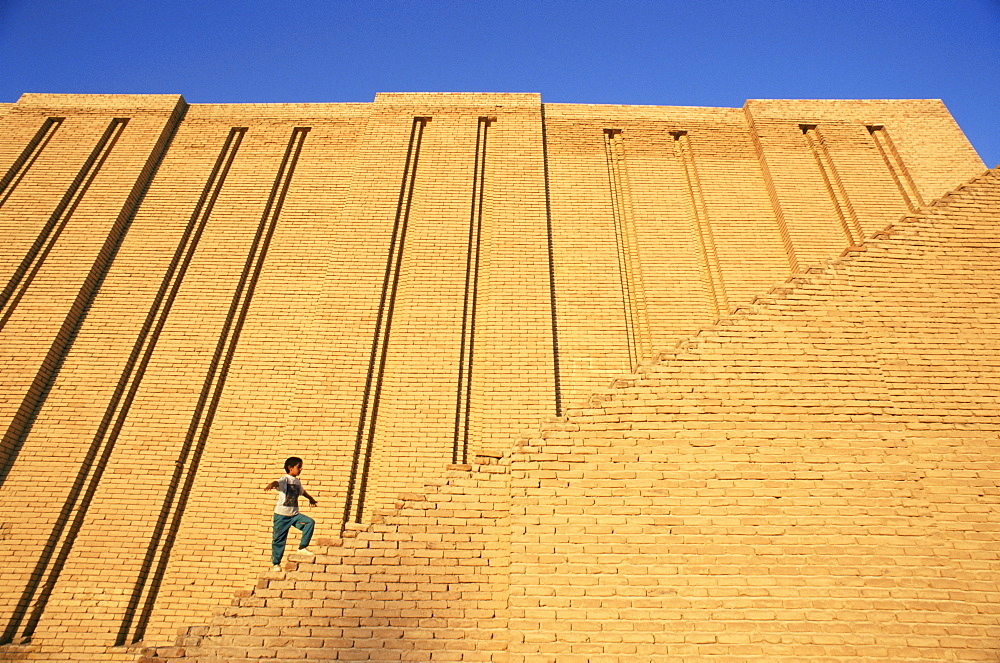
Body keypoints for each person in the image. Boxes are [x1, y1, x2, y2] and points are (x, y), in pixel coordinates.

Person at [263, 456, 318, 572]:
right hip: (282, 516)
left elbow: (302, 492)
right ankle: (276, 563)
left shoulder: (297, 482)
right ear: (290, 468)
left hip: (294, 515)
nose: (301, 469)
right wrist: (271, 484)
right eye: (299, 467)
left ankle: (302, 547)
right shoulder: (285, 480)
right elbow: (277, 482)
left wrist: (311, 499)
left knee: (309, 523)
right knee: (278, 540)